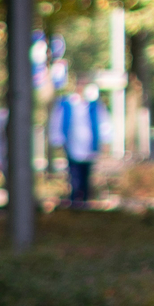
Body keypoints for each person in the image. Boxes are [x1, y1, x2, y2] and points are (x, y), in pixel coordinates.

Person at [49, 72, 108, 207]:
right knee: (74, 173)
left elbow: (103, 122)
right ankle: (75, 200)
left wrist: (105, 140)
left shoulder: (94, 105)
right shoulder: (66, 103)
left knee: (86, 173)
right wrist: (57, 139)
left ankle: (85, 200)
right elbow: (57, 122)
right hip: (72, 143)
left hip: (89, 144)